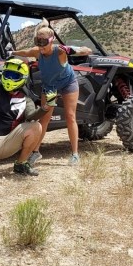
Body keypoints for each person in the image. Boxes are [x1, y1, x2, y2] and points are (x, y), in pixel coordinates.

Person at [12, 20, 92, 165]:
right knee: (44, 119)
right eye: (38, 41)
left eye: (44, 42)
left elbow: (86, 50)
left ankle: (75, 154)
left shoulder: (60, 51)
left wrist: (72, 50)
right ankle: (36, 152)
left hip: (68, 83)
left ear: (51, 40)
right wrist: (12, 52)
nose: (41, 45)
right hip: (50, 87)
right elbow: (25, 52)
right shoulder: (37, 52)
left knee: (70, 116)